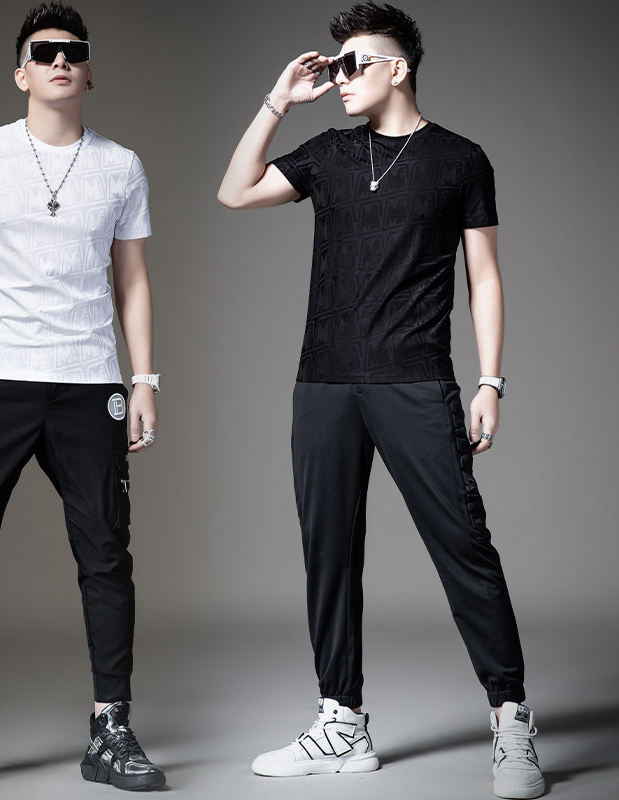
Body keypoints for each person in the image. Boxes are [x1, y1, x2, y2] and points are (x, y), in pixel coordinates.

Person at [218, 3, 544, 798]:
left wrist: (491, 380)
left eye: (353, 63)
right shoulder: (330, 153)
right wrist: (278, 100)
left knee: (463, 547)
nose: (339, 77)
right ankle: (343, 722)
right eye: (334, 65)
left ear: (398, 68)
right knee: (328, 552)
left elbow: (485, 277)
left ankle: (511, 721)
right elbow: (235, 191)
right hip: (323, 383)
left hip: (415, 380)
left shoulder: (460, 160)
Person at [0, 2, 166, 794]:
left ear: (88, 72)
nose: (59, 60)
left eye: (73, 51)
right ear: (22, 73)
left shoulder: (121, 166)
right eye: (44, 52)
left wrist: (144, 380)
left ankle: (110, 728)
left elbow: (134, 281)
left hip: (89, 385)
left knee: (106, 555)